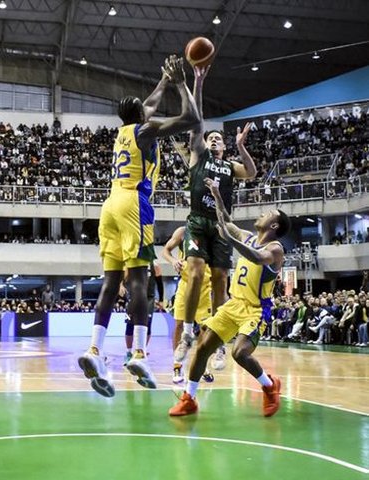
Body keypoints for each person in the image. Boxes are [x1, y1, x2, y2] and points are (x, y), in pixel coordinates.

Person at [77, 55, 200, 397]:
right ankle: (140, 354)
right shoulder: (146, 130)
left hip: (110, 205)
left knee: (110, 282)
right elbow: (192, 118)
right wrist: (180, 83)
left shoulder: (123, 131)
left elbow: (148, 104)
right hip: (134, 202)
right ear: (142, 116)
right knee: (138, 283)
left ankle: (94, 350)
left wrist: (163, 81)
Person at [169, 178, 289, 417]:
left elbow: (257, 257)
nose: (262, 214)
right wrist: (216, 194)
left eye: (268, 214)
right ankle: (189, 398)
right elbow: (225, 220)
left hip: (255, 309)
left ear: (274, 225)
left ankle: (269, 386)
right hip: (233, 304)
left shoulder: (275, 249)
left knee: (239, 353)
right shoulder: (247, 236)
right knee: (203, 346)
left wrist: (229, 238)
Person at [176, 63, 258, 364]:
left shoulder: (230, 167)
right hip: (198, 221)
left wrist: (241, 146)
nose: (213, 139)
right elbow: (196, 119)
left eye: (218, 139)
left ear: (224, 146)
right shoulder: (198, 156)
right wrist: (198, 81)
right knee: (196, 272)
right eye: (210, 137)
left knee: (221, 279)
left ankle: (218, 342)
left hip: (222, 226)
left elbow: (251, 172)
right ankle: (187, 333)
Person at [161, 226, 220, 384]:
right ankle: (177, 365)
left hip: (205, 288)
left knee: (205, 329)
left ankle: (200, 364)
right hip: (186, 285)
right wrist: (173, 260)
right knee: (179, 325)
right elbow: (165, 251)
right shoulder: (182, 232)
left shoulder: (213, 233)